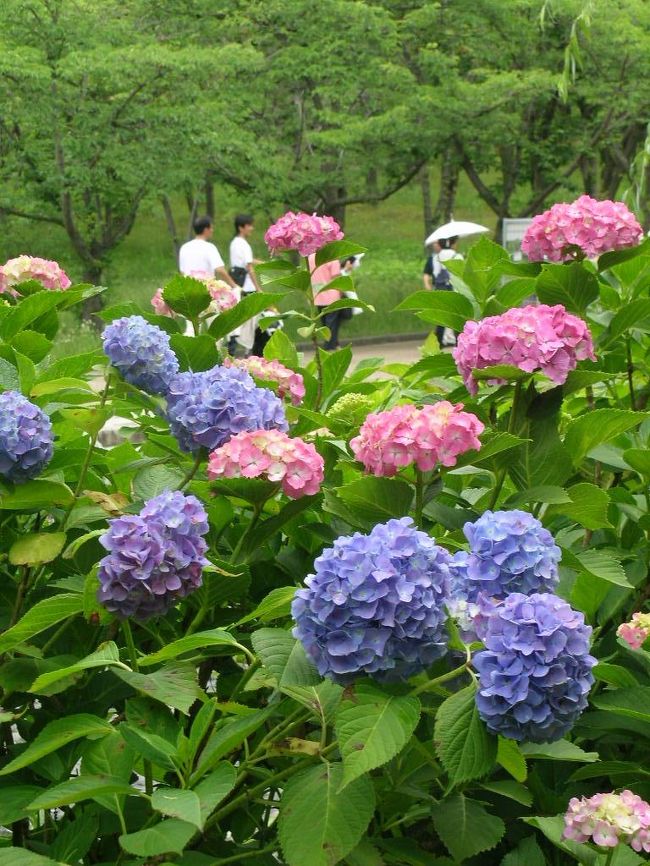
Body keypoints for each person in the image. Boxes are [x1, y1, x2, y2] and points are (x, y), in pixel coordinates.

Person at [229, 213, 263, 355]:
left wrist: (261, 262)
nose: (252, 228)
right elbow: (249, 268)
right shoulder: (244, 244)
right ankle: (251, 352)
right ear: (241, 227)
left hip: (237, 286)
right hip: (248, 288)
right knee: (252, 322)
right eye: (249, 225)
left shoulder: (234, 243)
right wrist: (258, 288)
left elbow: (246, 261)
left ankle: (231, 351)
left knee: (236, 321)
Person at [423, 236, 463, 348]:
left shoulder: (435, 257)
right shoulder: (457, 256)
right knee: (456, 318)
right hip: (454, 290)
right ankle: (458, 343)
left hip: (440, 290)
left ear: (440, 244)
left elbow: (432, 274)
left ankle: (439, 343)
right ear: (452, 243)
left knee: (441, 317)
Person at [179, 215, 237, 289]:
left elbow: (182, 272)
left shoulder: (184, 247)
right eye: (211, 227)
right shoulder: (209, 247)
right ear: (206, 229)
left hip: (187, 289)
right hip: (205, 289)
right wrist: (234, 286)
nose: (212, 230)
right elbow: (220, 269)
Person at [309, 254, 342, 351]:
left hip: (318, 296)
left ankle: (335, 345)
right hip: (332, 295)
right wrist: (341, 292)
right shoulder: (332, 258)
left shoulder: (311, 258)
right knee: (331, 324)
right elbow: (336, 278)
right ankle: (329, 348)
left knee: (325, 324)